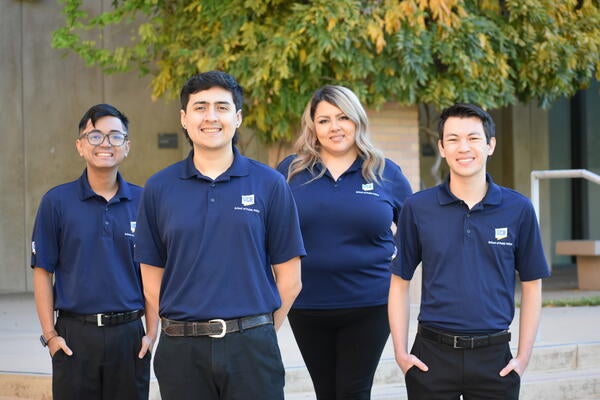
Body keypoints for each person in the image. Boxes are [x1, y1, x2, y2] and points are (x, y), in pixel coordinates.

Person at [134, 70, 306, 400]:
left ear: (238, 118)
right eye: (200, 107)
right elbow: (151, 280)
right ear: (184, 119)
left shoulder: (269, 184)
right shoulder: (159, 187)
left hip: (252, 349)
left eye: (222, 107)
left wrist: (260, 330)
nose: (211, 117)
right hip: (181, 349)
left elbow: (290, 279)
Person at [389, 103, 551, 399]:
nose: (463, 147)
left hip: (494, 359)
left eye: (473, 138)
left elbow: (532, 284)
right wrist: (400, 352)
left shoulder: (519, 209)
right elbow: (399, 282)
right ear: (441, 147)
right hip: (431, 357)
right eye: (453, 139)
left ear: (490, 145)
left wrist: (524, 356)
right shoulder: (417, 208)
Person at [277, 85, 413, 399]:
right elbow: (270, 231)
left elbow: (415, 232)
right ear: (312, 126)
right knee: (326, 392)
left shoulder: (384, 171)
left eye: (342, 118)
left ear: (357, 121)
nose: (334, 127)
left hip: (370, 304)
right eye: (324, 120)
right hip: (307, 304)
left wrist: (398, 278)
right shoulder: (291, 172)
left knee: (353, 391)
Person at [31, 103, 154, 400]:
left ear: (126, 146)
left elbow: (152, 271)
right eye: (95, 136)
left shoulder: (145, 201)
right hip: (74, 335)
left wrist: (151, 333)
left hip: (129, 336)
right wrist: (50, 336)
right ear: (80, 145)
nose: (105, 144)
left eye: (115, 136)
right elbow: (43, 271)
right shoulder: (56, 202)